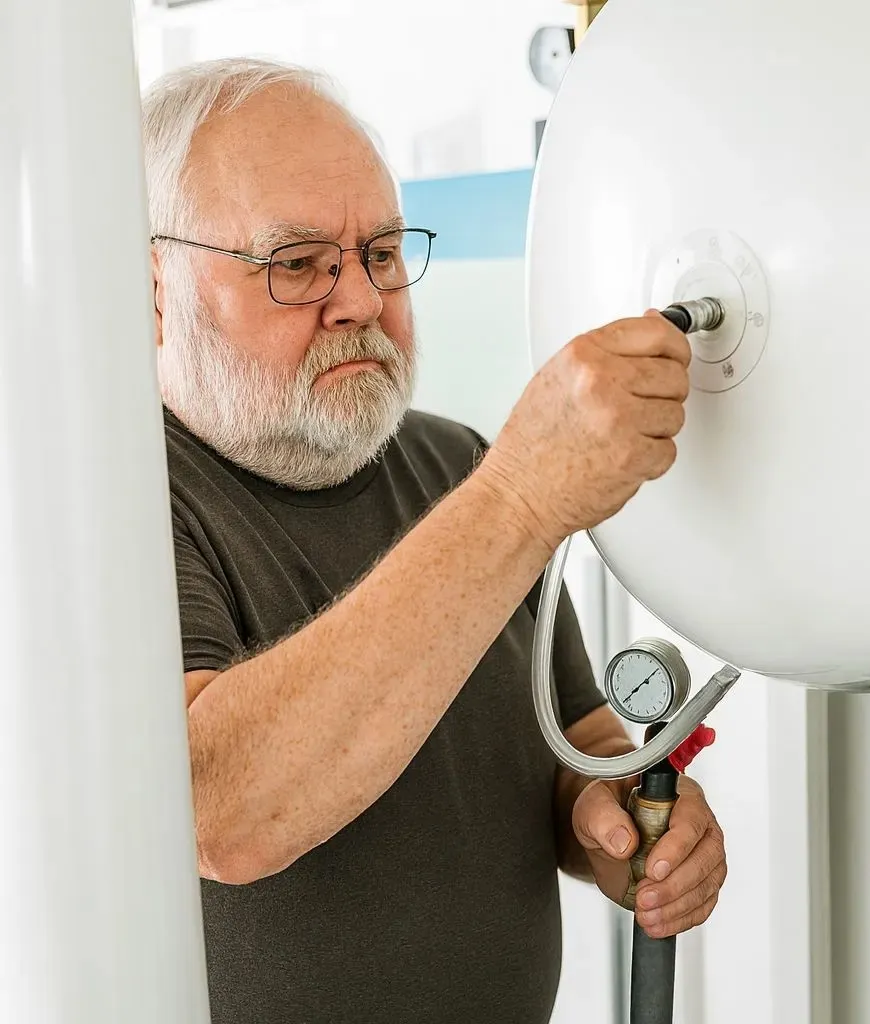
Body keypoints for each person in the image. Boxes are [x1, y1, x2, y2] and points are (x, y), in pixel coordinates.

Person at [143, 56, 727, 1024]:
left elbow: (574, 736)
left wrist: (612, 816)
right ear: (154, 289)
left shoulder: (456, 463)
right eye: (297, 264)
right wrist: (523, 496)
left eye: (379, 253)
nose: (362, 301)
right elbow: (229, 812)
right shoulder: (115, 512)